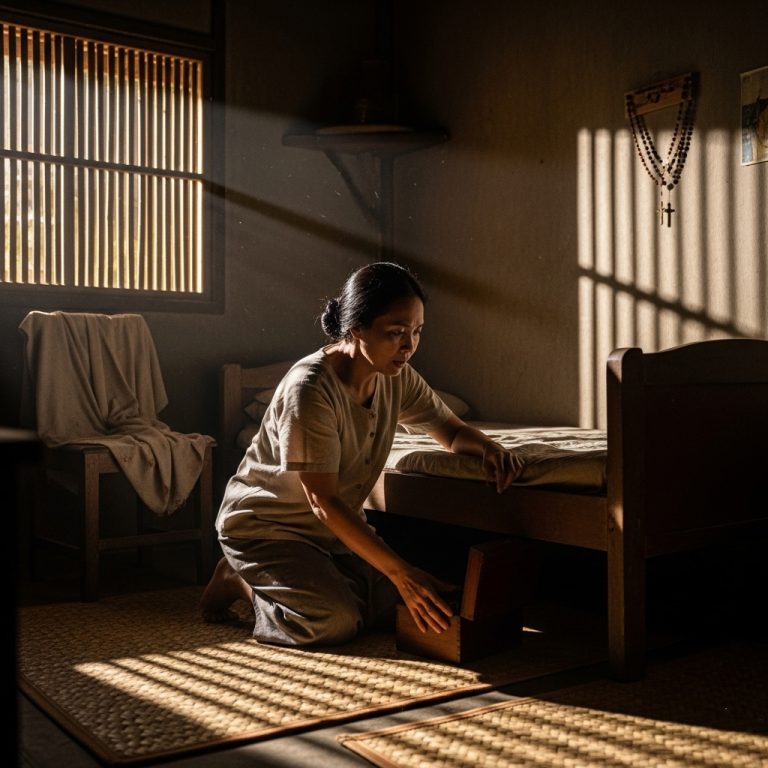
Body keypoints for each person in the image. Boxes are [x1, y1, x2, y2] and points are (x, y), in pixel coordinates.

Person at [200, 261, 524, 645]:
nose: (409, 346)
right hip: (269, 531)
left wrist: (489, 447)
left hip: (332, 534)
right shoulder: (310, 390)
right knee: (330, 622)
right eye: (396, 333)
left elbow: (450, 430)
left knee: (413, 607)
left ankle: (324, 584)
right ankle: (238, 579)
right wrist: (401, 573)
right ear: (356, 329)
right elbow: (324, 501)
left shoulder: (396, 376)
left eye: (417, 332)